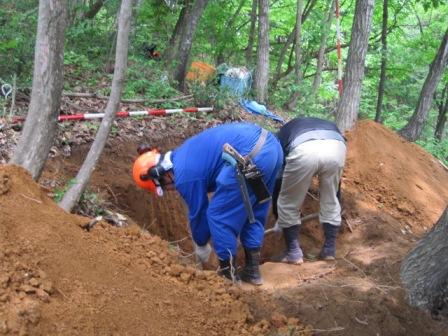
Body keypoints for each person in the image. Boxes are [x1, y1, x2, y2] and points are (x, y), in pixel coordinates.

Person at [133, 123, 283, 285]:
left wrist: (201, 244)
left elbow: (199, 213)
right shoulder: (184, 154)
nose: (171, 190)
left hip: (248, 155)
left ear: (163, 174)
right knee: (253, 211)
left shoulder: (184, 175)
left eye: (164, 187)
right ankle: (252, 271)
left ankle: (228, 277)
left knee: (218, 216)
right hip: (273, 149)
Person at [272, 117, 346, 264]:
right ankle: (329, 249)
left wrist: (278, 213)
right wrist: (335, 194)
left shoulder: (278, 138)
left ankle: (293, 252)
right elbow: (336, 190)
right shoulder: (324, 123)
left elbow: (279, 181)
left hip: (303, 149)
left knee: (288, 203)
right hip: (336, 146)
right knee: (330, 199)